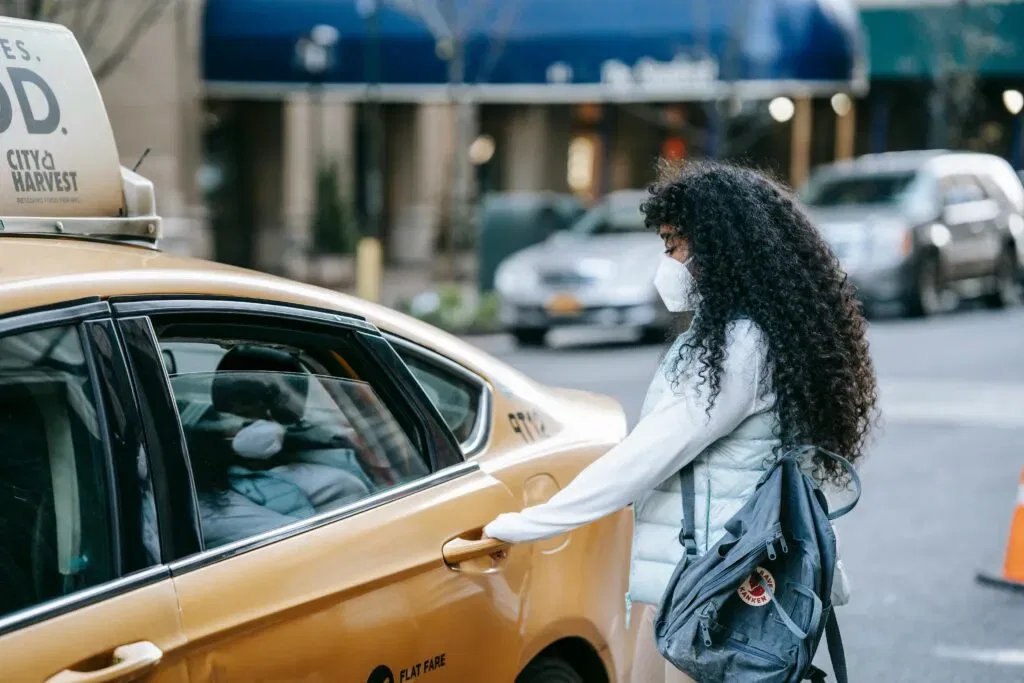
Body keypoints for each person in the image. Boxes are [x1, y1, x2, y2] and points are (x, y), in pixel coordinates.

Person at [483, 160, 879, 683]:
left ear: (720, 248)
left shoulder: (742, 346)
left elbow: (649, 453)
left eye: (674, 245)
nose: (666, 261)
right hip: (700, 575)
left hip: (716, 586)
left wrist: (532, 522)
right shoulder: (746, 335)